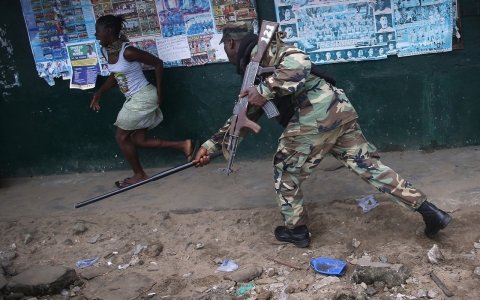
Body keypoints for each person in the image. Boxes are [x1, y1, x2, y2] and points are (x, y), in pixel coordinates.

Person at [193, 22, 452, 247]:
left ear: (230, 43)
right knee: (369, 167)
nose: (225, 53)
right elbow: (244, 116)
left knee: (286, 171)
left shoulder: (268, 51)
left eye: (224, 47)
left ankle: (296, 231)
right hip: (336, 112)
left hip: (314, 116)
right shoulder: (252, 70)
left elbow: (300, 62)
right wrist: (210, 147)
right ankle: (430, 212)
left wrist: (267, 89)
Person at [91, 15, 198, 188]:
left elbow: (157, 63)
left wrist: (160, 92)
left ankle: (139, 175)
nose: (96, 35)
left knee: (121, 136)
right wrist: (100, 92)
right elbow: (116, 74)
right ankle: (184, 145)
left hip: (143, 97)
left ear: (108, 31)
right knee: (139, 140)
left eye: (97, 31)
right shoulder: (106, 51)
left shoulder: (128, 51)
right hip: (133, 99)